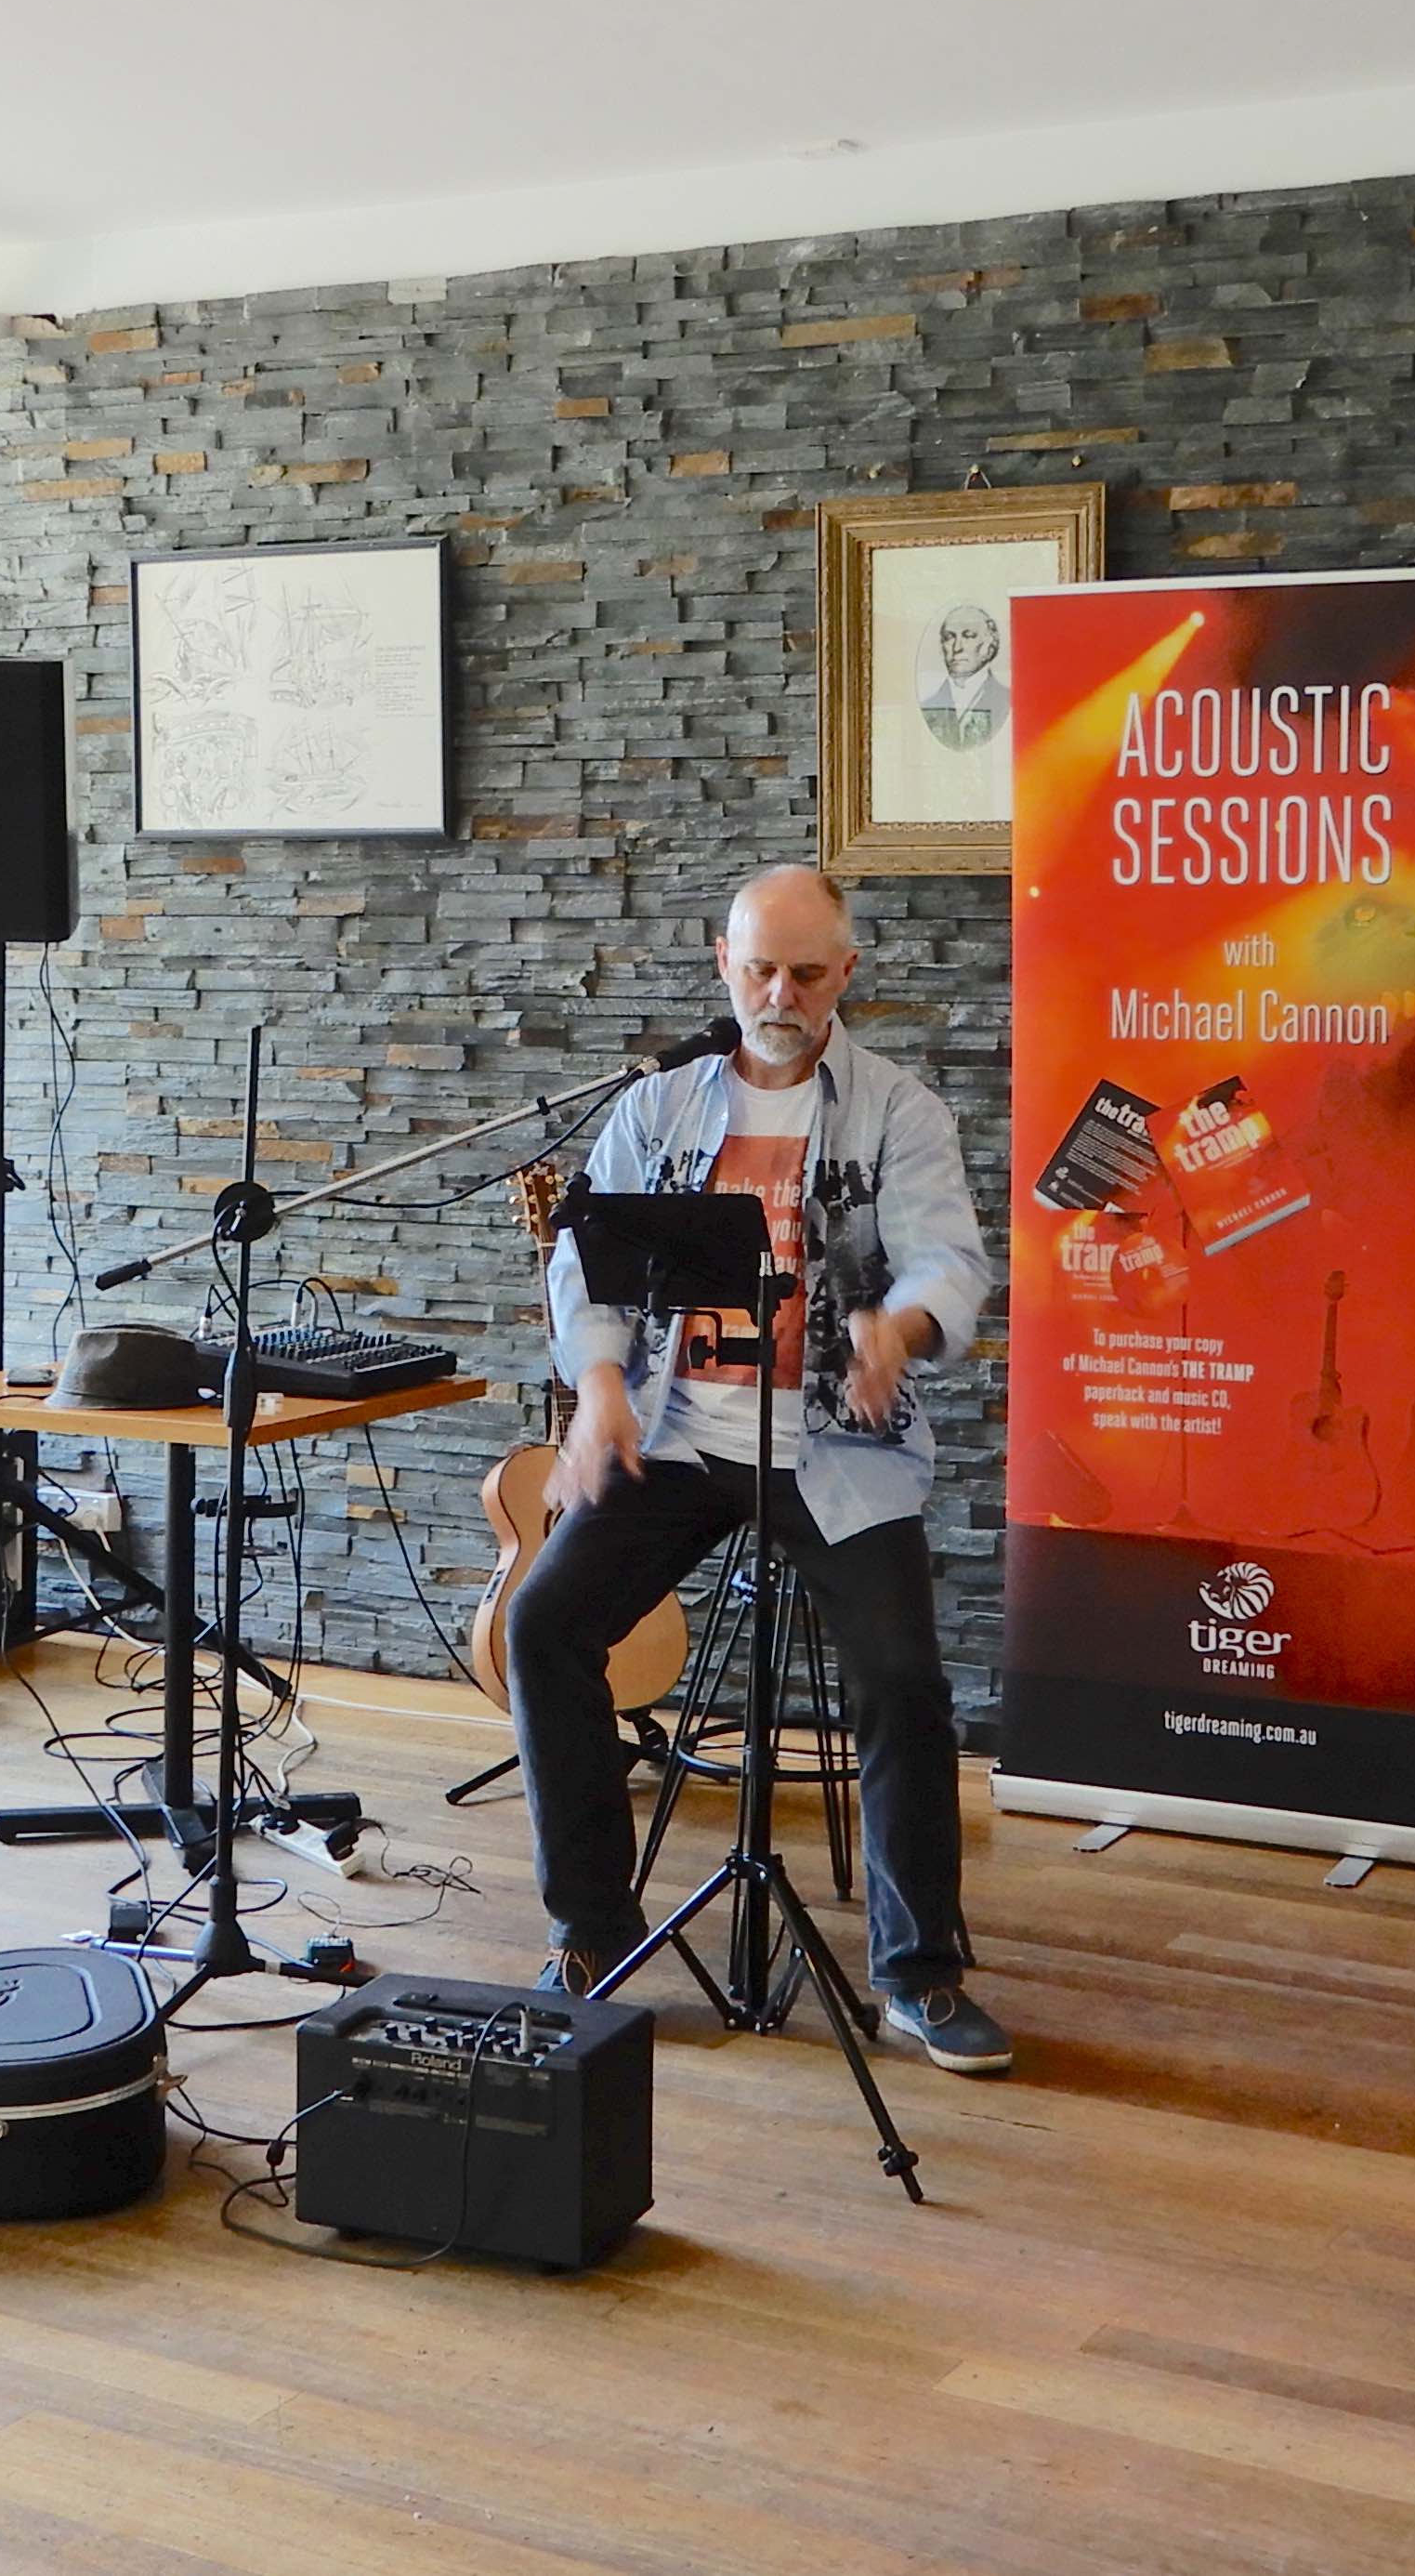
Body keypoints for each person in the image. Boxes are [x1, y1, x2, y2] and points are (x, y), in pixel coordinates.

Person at [505, 865, 1009, 2073]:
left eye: (807, 973)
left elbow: (949, 1261)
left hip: (837, 1448)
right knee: (543, 1622)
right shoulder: (658, 1108)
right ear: (723, 963)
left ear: (847, 973)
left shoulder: (898, 1111)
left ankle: (918, 1970)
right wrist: (600, 1384)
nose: (781, 994)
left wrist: (898, 1327)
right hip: (675, 1434)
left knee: (903, 1681)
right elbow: (587, 1258)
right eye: (761, 969)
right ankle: (590, 1931)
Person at [917, 604, 1008, 750]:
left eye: (969, 636)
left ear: (990, 644)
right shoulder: (928, 706)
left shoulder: (1008, 702)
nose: (957, 647)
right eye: (949, 637)